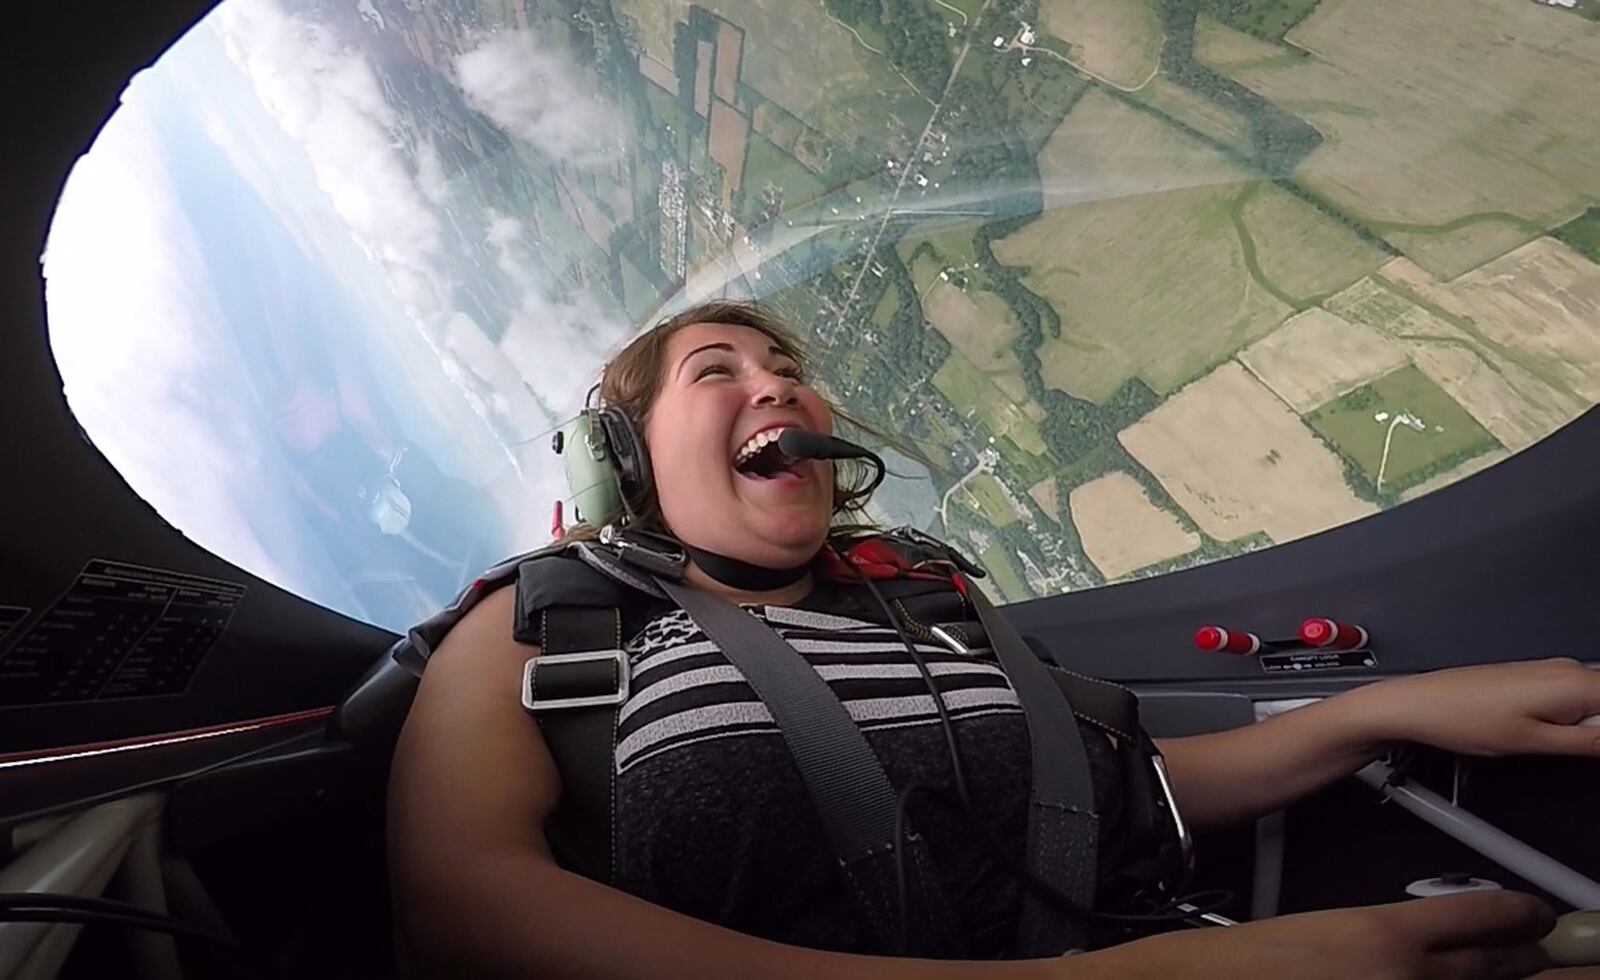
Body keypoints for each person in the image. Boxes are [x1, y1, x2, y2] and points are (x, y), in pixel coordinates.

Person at [386, 300, 1600, 979]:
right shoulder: (549, 622)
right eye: (718, 369)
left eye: (789, 368)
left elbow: (1116, 795)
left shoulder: (919, 603)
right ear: (628, 457)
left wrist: (1381, 709)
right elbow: (467, 909)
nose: (781, 389)